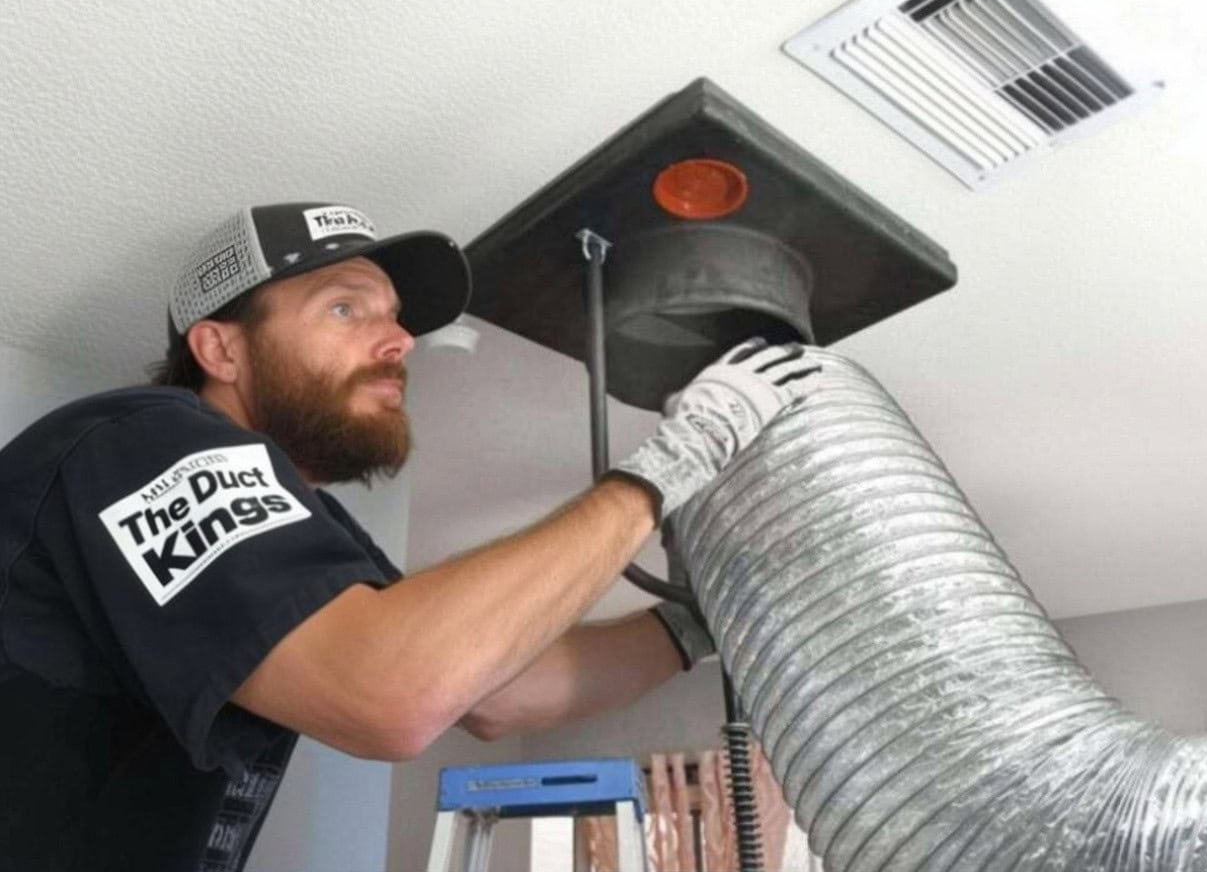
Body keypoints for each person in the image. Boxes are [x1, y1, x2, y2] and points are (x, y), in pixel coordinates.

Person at [0, 201, 821, 872]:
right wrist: (673, 464)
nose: (398, 342)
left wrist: (702, 625)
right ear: (220, 347)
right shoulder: (143, 439)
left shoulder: (315, 539)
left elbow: (491, 692)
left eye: (395, 320)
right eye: (346, 308)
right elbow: (392, 694)